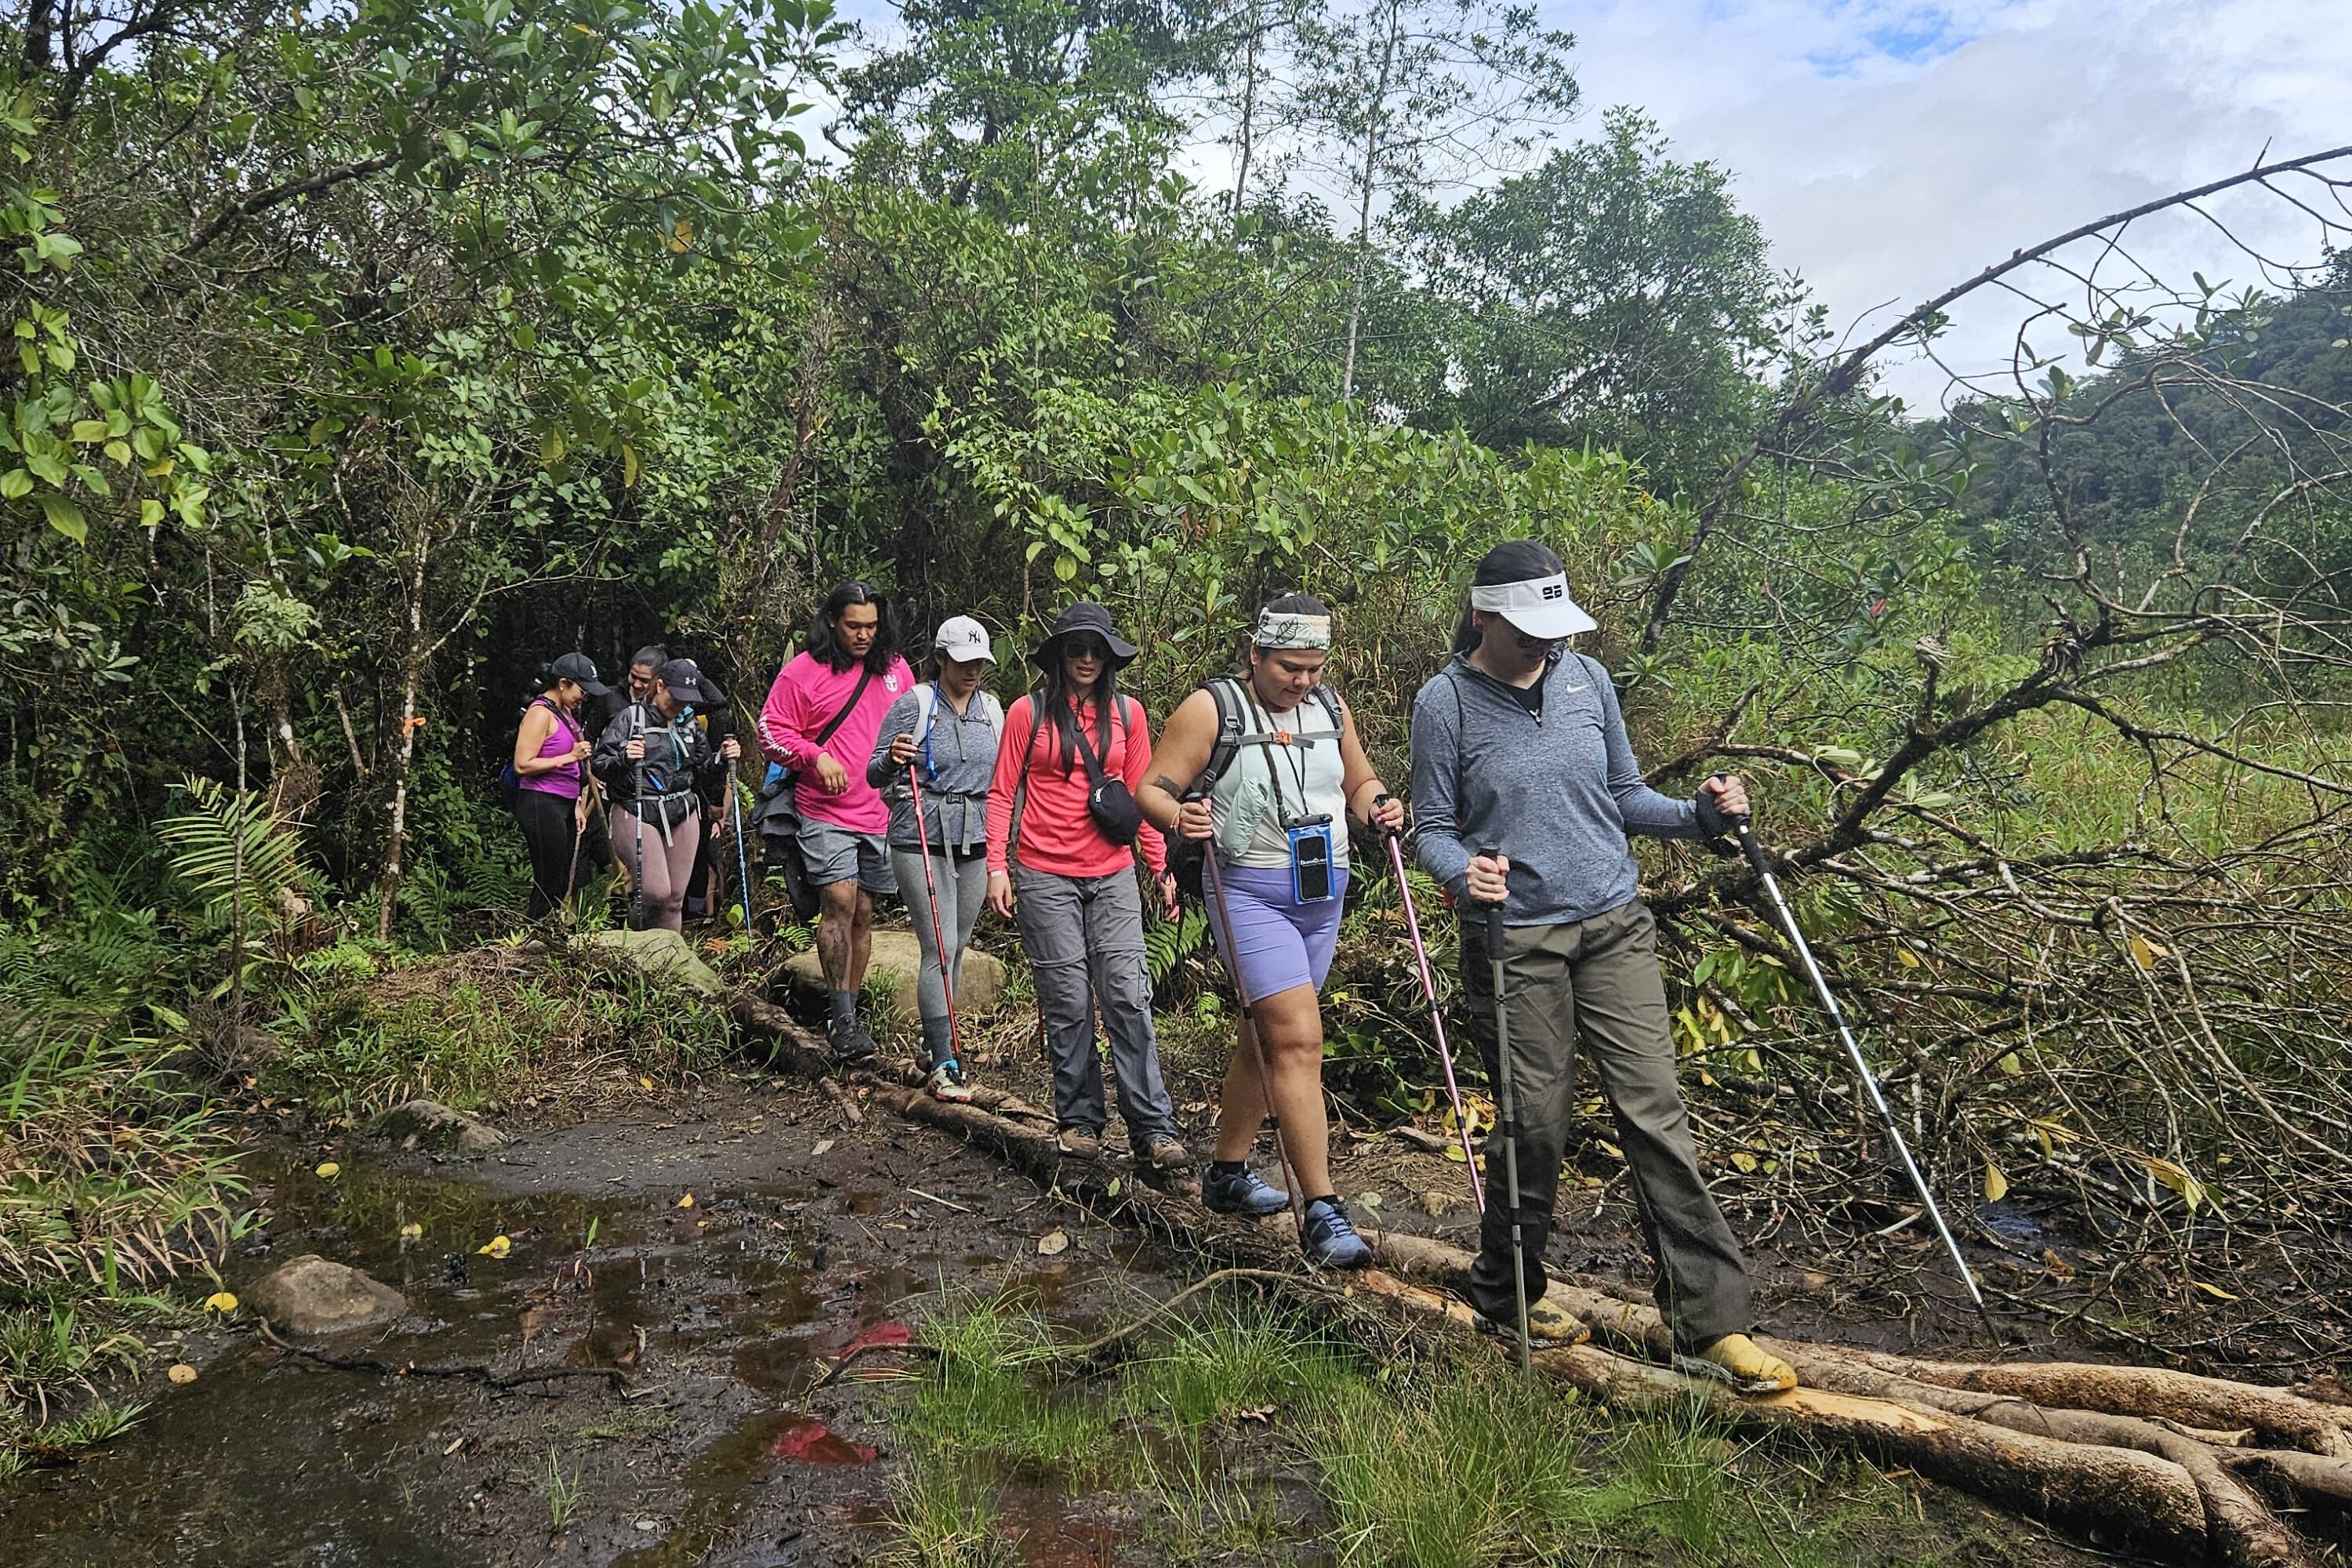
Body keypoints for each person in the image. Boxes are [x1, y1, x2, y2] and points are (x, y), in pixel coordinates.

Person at [1410, 539, 1795, 1394]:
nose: (1546, 646)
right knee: (1536, 1123)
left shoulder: (1587, 680)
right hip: (1516, 938)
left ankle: (1712, 1324)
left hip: (1614, 923)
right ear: (1484, 616)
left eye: (1555, 630)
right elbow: (1432, 824)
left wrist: (1698, 816)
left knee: (1654, 1112)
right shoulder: (1445, 702)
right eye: (1528, 633)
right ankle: (1508, 1290)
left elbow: (1624, 795)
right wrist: (1457, 869)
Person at [1138, 594, 1406, 1268]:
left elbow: (1358, 778)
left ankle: (1226, 1173)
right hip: (1249, 892)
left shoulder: (1330, 709)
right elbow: (1151, 786)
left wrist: (1377, 805)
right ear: (1254, 655)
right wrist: (1179, 816)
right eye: (1290, 667)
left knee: (1264, 1040)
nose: (1304, 681)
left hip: (1323, 890)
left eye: (1315, 668)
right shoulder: (1212, 709)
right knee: (1296, 1037)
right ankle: (1321, 1209)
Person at [985, 603, 1188, 1170]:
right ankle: (1080, 1121)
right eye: (1077, 649)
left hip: (1112, 872)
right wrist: (996, 866)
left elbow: (1145, 798)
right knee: (1068, 1001)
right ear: (1060, 656)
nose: (1088, 659)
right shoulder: (1027, 713)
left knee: (1127, 995)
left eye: (1097, 650)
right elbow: (1002, 793)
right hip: (1044, 874)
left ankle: (1153, 1127)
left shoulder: (1129, 714)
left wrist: (1161, 869)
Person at [759, 583, 913, 1061]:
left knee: (865, 911)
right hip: (824, 809)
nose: (864, 635)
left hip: (880, 810)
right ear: (832, 621)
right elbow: (770, 730)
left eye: (871, 626)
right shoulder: (803, 672)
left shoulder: (895, 670)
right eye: (854, 626)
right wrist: (813, 754)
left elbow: (915, 724)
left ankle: (849, 1012)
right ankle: (841, 1018)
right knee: (839, 900)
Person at [868, 616, 1004, 1104]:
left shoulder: (992, 710)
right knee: (939, 947)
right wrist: (893, 757)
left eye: (979, 663)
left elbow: (1004, 780)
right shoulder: (915, 705)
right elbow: (873, 771)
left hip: (975, 834)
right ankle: (946, 1063)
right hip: (919, 834)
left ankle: (931, 1045)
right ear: (941, 658)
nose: (972, 672)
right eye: (963, 662)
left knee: (960, 943)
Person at [593, 656, 741, 933]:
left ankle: (669, 966)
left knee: (674, 900)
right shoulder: (631, 718)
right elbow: (600, 765)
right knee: (656, 893)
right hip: (638, 808)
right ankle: (633, 945)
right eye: (675, 698)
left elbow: (702, 769)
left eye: (686, 700)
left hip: (682, 809)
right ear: (660, 686)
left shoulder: (688, 723)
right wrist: (625, 758)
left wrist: (722, 757)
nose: (680, 705)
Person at [510, 653, 608, 919]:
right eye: (581, 691)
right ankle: (536, 935)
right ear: (563, 683)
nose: (583, 698)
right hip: (540, 801)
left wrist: (576, 804)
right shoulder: (540, 713)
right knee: (549, 876)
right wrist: (569, 757)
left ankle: (547, 934)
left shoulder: (564, 711)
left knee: (564, 875)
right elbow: (522, 764)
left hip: (564, 802)